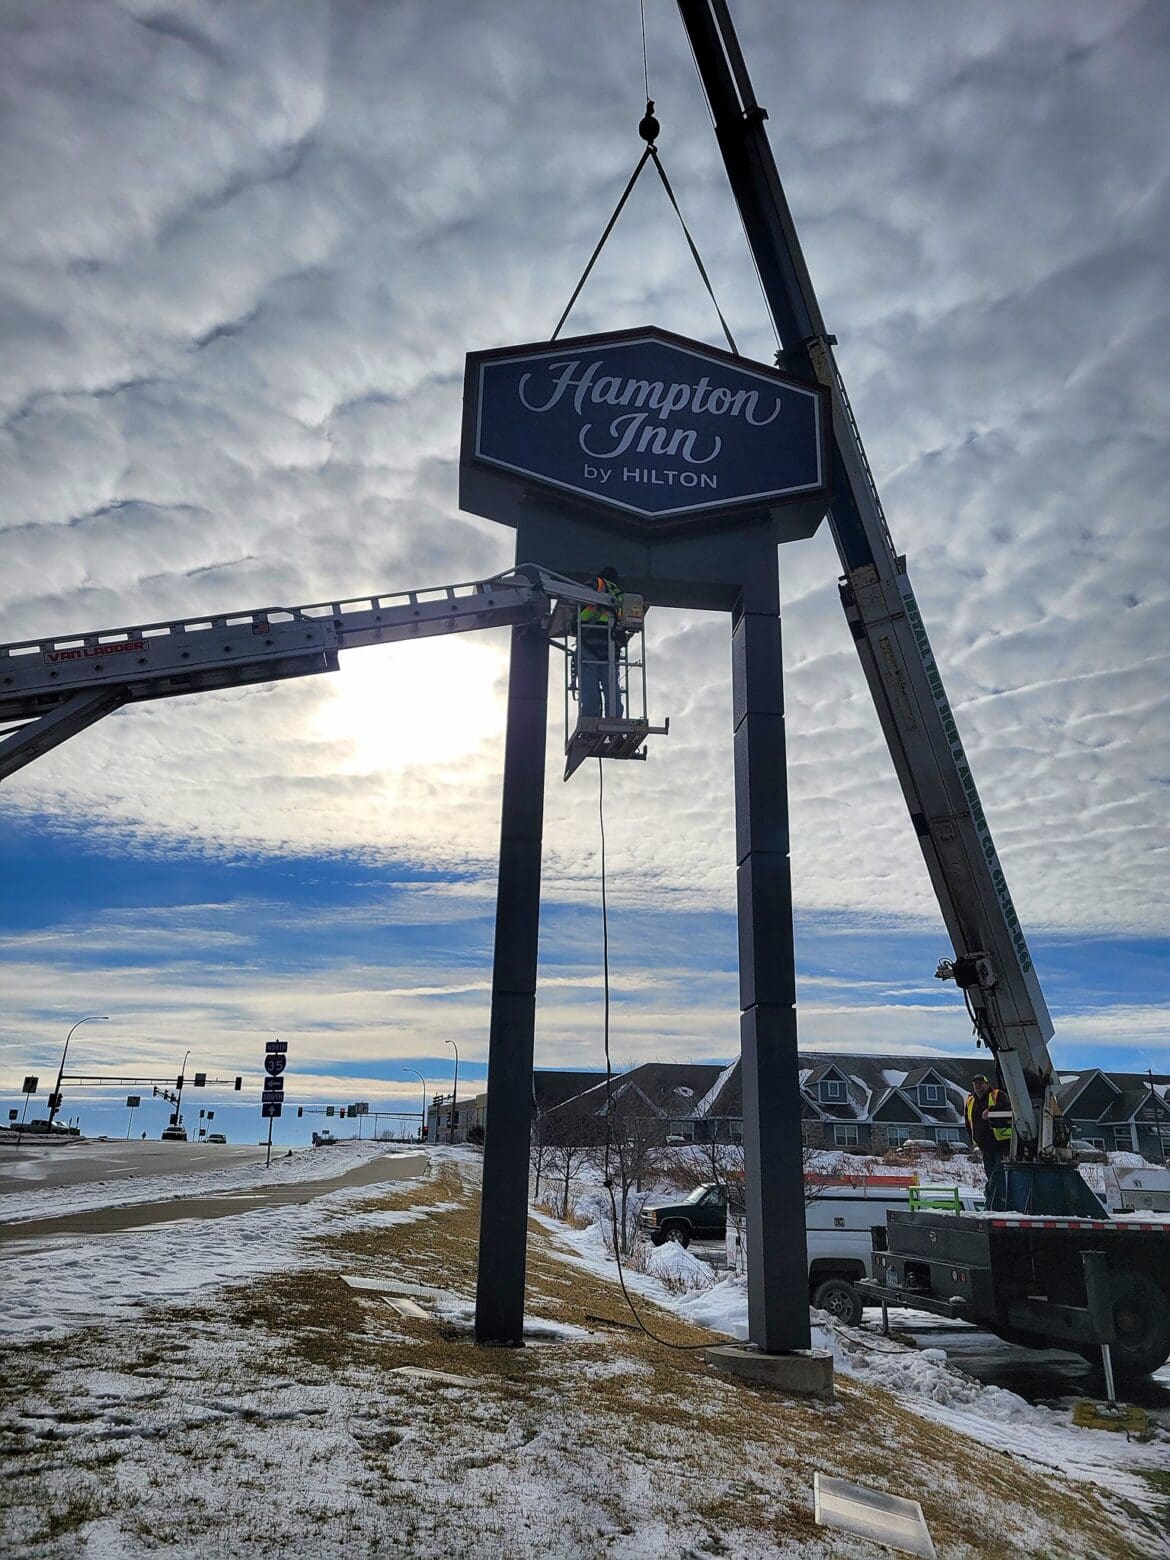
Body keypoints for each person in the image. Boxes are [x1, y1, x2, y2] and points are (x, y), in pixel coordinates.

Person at [577, 565, 624, 719]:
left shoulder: (598, 583)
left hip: (591, 639)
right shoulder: (619, 594)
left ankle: (590, 716)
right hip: (610, 645)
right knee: (610, 684)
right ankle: (615, 717)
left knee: (589, 683)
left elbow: (579, 595)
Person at [965, 1072, 1011, 1182]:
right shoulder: (970, 1100)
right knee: (991, 1175)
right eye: (975, 1084)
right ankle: (995, 1195)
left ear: (987, 1084)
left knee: (998, 1176)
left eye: (981, 1083)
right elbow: (968, 1121)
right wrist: (973, 1139)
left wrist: (991, 1110)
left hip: (1001, 1144)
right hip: (985, 1147)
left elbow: (1009, 1109)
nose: (978, 1086)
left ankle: (995, 1196)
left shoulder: (997, 1095)